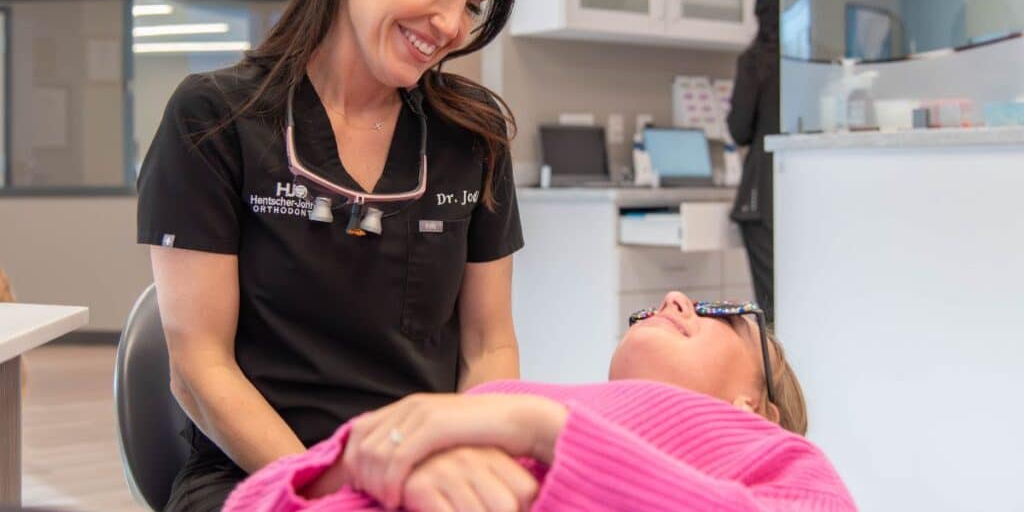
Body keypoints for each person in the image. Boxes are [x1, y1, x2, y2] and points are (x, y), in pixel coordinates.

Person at [136, 0, 525, 511]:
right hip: (259, 473)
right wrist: (339, 484)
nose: (452, 25)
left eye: (475, 4)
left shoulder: (474, 137)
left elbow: (488, 345)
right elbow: (199, 370)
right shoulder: (215, 118)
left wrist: (463, 463)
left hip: (423, 477)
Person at [223, 291, 856, 512]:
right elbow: (255, 499)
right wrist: (362, 466)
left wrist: (543, 432)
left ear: (757, 407)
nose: (673, 300)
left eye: (720, 313)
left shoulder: (775, 453)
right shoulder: (512, 399)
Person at [728, 0, 781, 323]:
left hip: (764, 193)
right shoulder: (812, 61)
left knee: (774, 304)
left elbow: (739, 129)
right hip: (804, 189)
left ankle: (774, 374)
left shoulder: (755, 62)